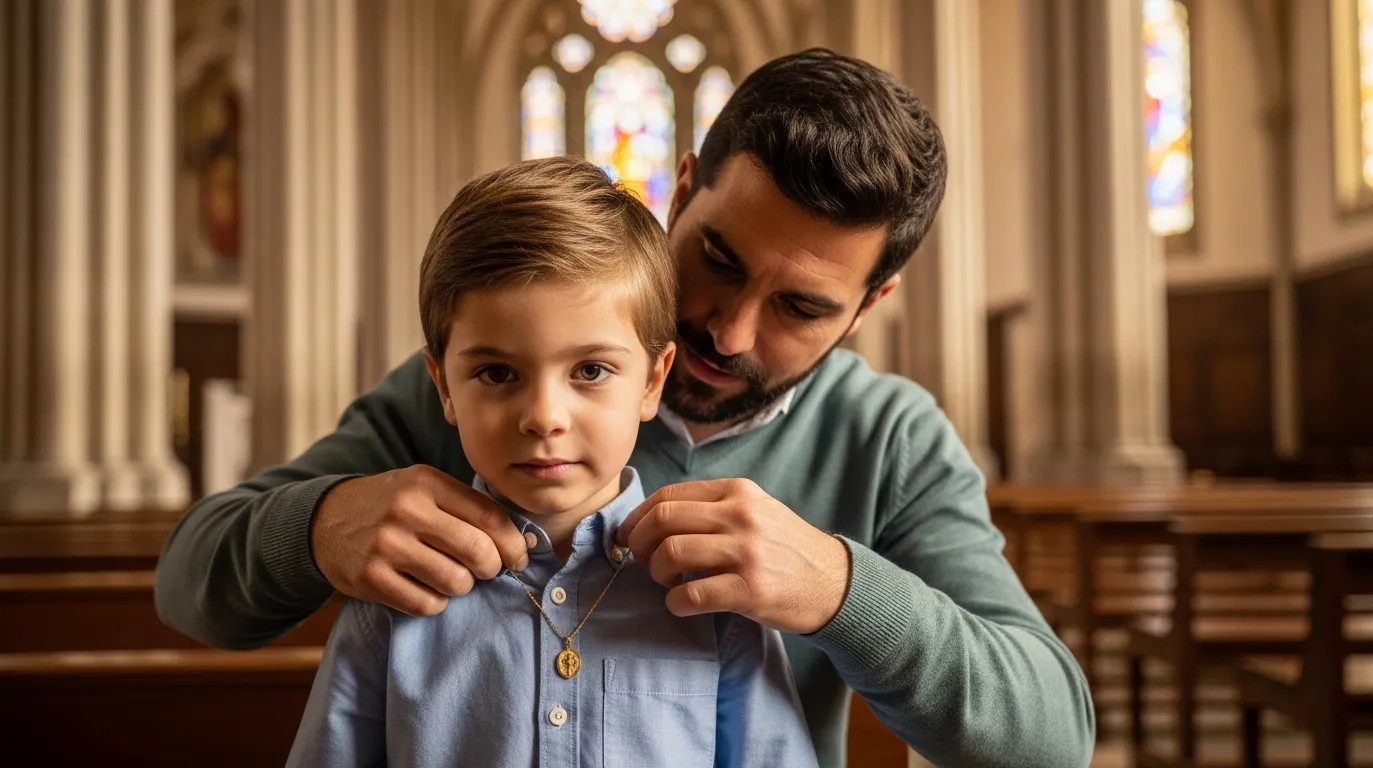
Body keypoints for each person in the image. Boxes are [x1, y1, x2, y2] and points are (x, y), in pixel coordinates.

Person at [156, 48, 1095, 768]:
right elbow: (191, 586)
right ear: (680, 192)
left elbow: (1052, 738)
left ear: (867, 305)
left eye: (802, 308)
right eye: (718, 258)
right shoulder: (478, 389)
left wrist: (839, 591)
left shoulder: (892, 439)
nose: (728, 329)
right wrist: (318, 525)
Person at [285, 157, 818, 767]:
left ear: (652, 381)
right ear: (444, 388)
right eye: (497, 373)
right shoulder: (396, 596)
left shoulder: (712, 597)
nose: (543, 417)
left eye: (590, 370)